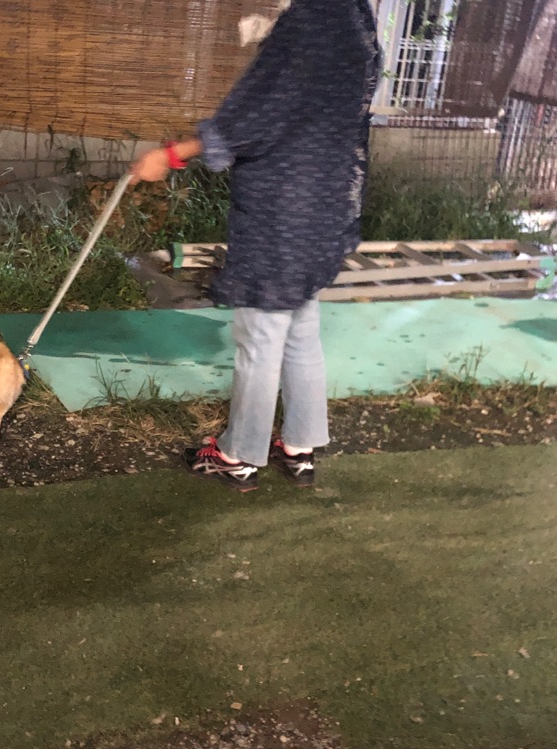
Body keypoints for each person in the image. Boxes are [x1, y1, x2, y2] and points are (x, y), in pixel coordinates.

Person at [130, 0, 381, 491]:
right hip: (328, 201)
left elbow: (255, 116)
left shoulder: (309, 19)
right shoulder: (355, 19)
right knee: (301, 327)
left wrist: (173, 154)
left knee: (261, 335)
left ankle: (238, 455)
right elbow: (315, 101)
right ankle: (300, 447)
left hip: (282, 206)